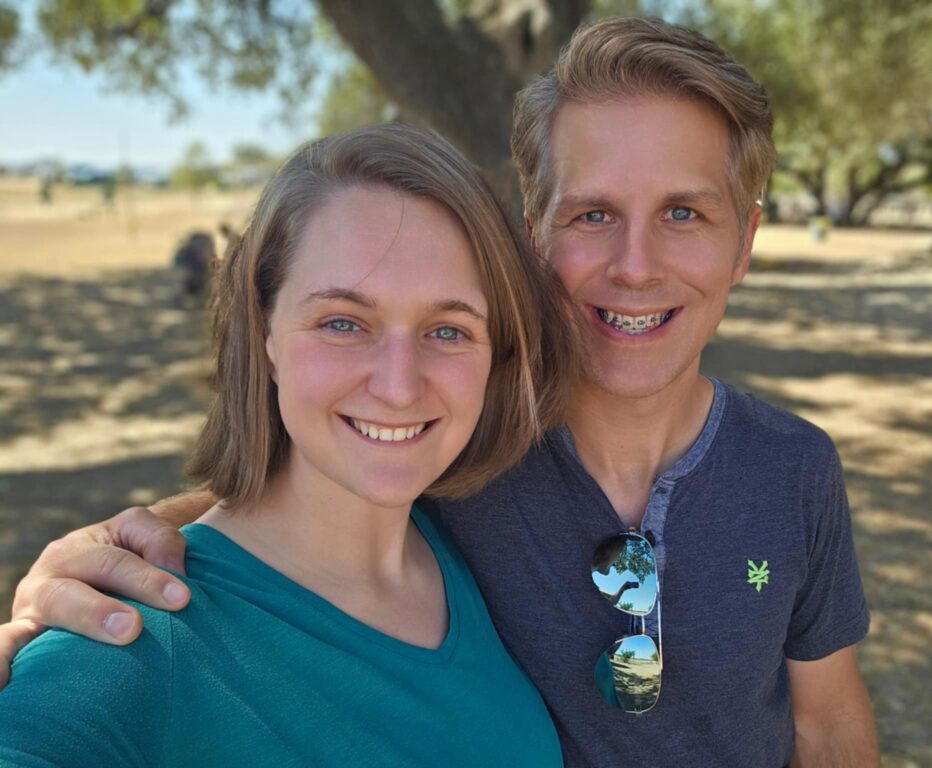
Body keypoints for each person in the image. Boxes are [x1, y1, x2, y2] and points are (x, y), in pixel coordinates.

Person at [0, 17, 879, 767]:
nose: (635, 265)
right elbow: (308, 496)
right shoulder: (466, 456)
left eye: (684, 213)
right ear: (536, 232)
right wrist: (120, 545)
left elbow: (829, 717)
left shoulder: (795, 469)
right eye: (592, 214)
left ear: (746, 241)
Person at [0, 124, 574, 766]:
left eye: (448, 331)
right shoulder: (134, 639)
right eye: (342, 323)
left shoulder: (476, 544)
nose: (398, 386)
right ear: (265, 333)